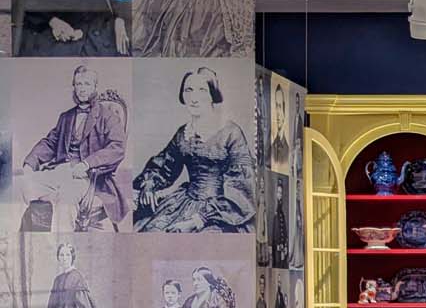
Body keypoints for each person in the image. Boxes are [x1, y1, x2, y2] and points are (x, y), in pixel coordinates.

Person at [133, 66, 255, 232]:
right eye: (188, 90)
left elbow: (242, 187)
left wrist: (198, 221)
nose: (194, 98)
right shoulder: (184, 133)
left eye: (202, 90)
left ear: (213, 95)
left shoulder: (231, 133)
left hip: (221, 213)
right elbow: (165, 167)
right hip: (184, 202)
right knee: (152, 232)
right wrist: (149, 184)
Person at [16, 64, 130, 233]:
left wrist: (86, 164)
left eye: (86, 84)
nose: (82, 89)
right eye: (78, 84)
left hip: (89, 176)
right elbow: (50, 142)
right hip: (62, 170)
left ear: (95, 87)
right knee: (24, 184)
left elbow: (117, 148)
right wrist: (30, 164)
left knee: (66, 200)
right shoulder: (66, 117)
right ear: (74, 87)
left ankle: (64, 247)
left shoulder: (108, 117)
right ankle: (33, 240)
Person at [270, 83, 290, 173]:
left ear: (284, 111)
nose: (277, 112)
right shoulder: (271, 147)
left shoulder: (288, 150)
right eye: (276, 106)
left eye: (280, 107)